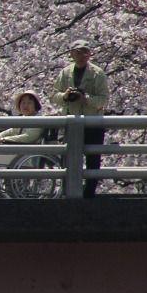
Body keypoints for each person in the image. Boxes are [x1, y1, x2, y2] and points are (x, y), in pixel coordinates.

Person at [50, 39, 110, 198]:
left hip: (93, 122)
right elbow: (54, 96)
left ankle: (90, 193)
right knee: (69, 158)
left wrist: (87, 99)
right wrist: (65, 96)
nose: (82, 55)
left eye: (85, 51)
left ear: (90, 53)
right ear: (71, 54)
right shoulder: (65, 73)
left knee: (93, 158)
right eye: (78, 52)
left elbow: (104, 99)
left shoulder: (97, 73)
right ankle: (68, 192)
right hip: (71, 121)